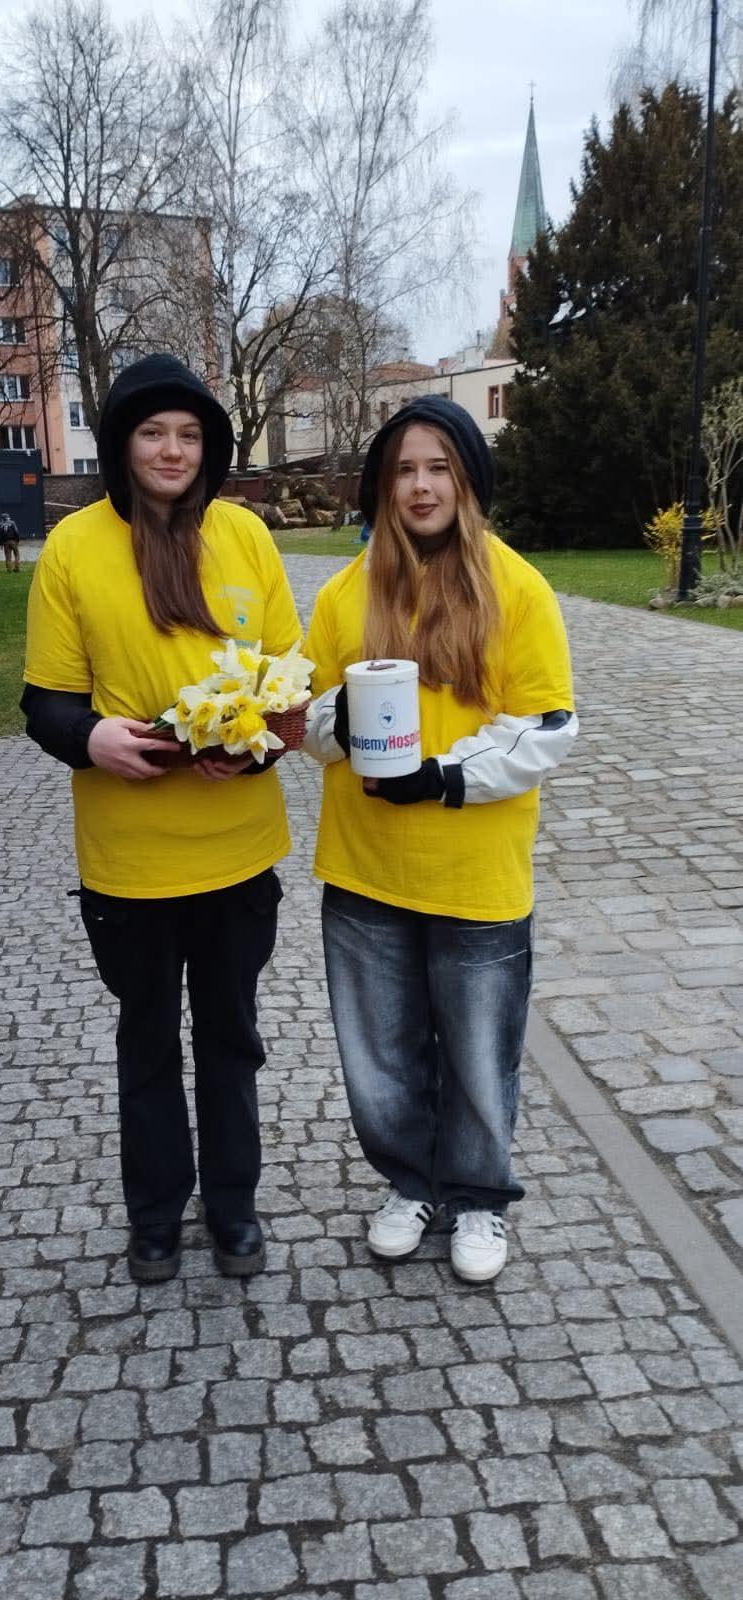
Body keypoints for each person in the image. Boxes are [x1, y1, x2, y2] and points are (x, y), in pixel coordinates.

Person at [20, 353, 302, 1284]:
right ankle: (153, 1217)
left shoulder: (245, 536)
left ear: (210, 446)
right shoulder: (74, 548)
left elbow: (289, 687)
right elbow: (44, 703)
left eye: (188, 434)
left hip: (237, 851)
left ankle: (233, 1208)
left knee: (230, 1037)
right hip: (129, 858)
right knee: (146, 1042)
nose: (172, 450)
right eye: (152, 432)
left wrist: (257, 745)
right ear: (120, 443)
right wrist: (90, 738)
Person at [303, 396, 577, 1284]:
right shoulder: (345, 593)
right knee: (379, 1058)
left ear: (466, 481)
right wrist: (342, 721)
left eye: (438, 468)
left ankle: (478, 1196)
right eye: (403, 471)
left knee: (476, 1057)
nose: (421, 487)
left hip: (475, 872)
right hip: (366, 868)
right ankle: (411, 1183)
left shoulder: (516, 589)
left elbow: (544, 728)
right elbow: (305, 719)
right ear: (382, 487)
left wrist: (444, 777)